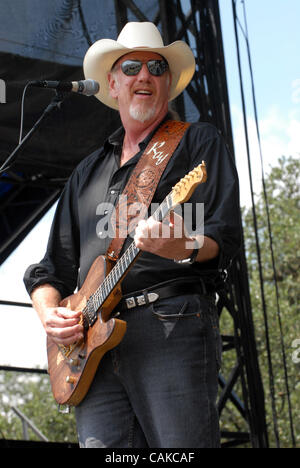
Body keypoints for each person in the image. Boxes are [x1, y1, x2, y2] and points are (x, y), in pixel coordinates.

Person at [24, 22, 241, 448]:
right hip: (91, 350)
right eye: (132, 67)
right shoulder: (86, 172)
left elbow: (225, 235)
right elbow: (50, 269)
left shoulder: (195, 142)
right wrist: (50, 315)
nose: (145, 75)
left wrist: (184, 244)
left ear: (168, 83)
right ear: (112, 82)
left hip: (170, 325)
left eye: (157, 67)